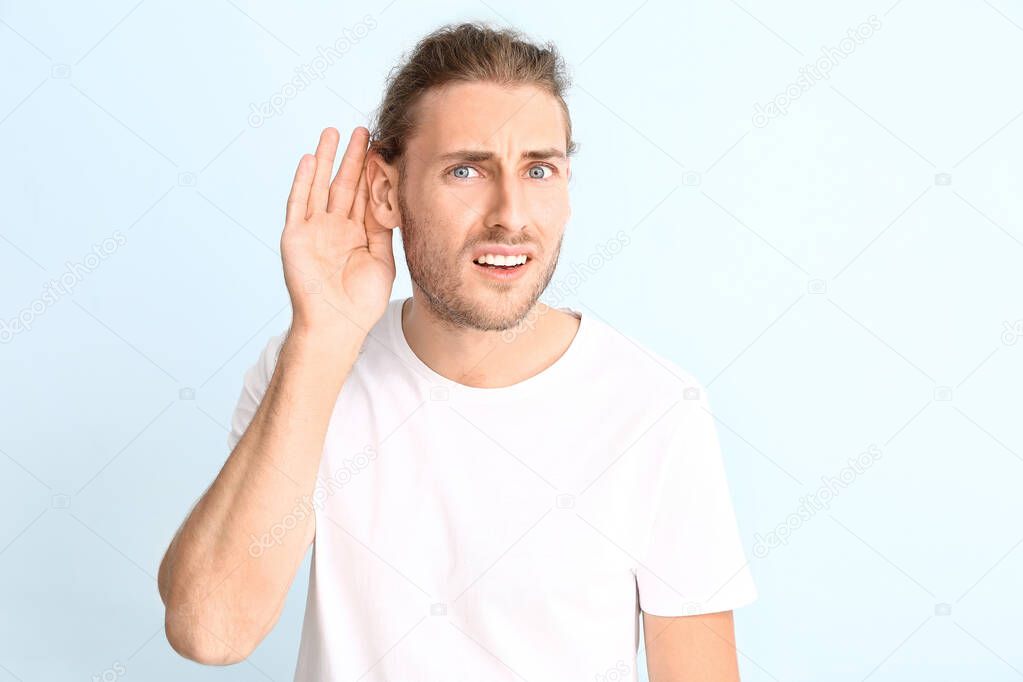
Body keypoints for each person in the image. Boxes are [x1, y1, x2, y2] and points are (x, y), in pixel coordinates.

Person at [157, 21, 757, 681]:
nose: (510, 213)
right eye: (466, 169)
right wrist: (322, 339)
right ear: (387, 191)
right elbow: (210, 631)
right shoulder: (306, 367)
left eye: (538, 169)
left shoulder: (653, 408)